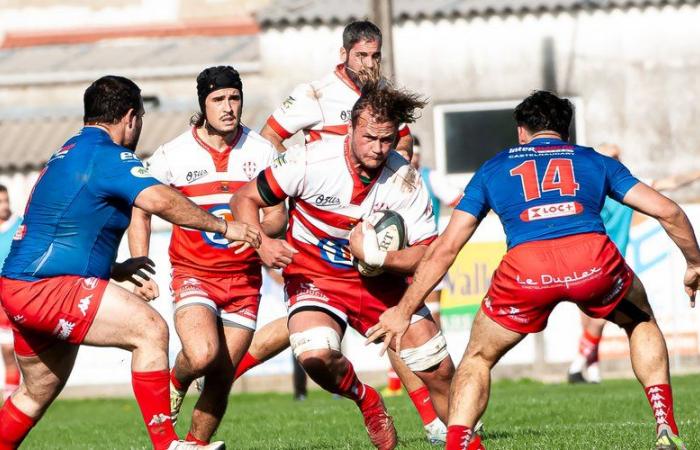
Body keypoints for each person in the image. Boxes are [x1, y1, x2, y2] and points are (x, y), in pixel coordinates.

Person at [367, 90, 699, 450]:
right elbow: (669, 212)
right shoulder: (592, 160)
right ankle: (665, 427)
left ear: (521, 132)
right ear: (565, 133)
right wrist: (694, 263)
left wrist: (403, 311)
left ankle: (457, 444)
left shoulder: (494, 167)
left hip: (526, 270)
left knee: (478, 358)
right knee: (640, 321)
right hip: (592, 262)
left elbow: (446, 248)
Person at [0, 75, 260, 450]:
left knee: (34, 393)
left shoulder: (68, 150)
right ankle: (167, 444)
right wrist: (223, 226)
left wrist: (114, 268)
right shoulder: (107, 155)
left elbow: (62, 228)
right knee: (150, 330)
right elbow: (159, 200)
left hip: (19, 286)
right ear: (130, 117)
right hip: (48, 287)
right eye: (139, 117)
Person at [235, 20, 448, 443]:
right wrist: (294, 184)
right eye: (361, 55)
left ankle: (438, 422)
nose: (369, 64)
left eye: (375, 56)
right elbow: (269, 139)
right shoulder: (314, 94)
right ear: (344, 54)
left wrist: (396, 186)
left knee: (401, 329)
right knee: (309, 340)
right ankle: (224, 371)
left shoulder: (384, 101)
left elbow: (401, 152)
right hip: (318, 225)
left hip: (374, 221)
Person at [128, 66, 288, 446]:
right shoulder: (173, 154)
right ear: (203, 104)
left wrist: (263, 233)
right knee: (202, 355)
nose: (228, 107)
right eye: (218, 99)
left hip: (244, 280)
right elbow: (141, 207)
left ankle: (195, 445)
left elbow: (278, 213)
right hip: (194, 273)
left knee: (222, 373)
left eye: (234, 97)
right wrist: (139, 264)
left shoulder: (262, 151)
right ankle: (176, 380)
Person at [568, 143, 700, 384]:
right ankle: (589, 368)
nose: (616, 160)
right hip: (586, 256)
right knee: (589, 319)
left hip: (608, 261)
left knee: (597, 318)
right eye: (611, 156)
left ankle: (580, 366)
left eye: (618, 156)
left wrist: (695, 173)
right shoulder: (590, 186)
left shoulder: (625, 186)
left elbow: (669, 183)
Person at [383, 136, 463, 397]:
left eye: (415, 152)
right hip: (395, 261)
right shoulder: (385, 179)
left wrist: (446, 241)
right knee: (395, 316)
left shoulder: (429, 177)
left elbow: (460, 203)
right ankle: (396, 381)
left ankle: (443, 378)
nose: (412, 157)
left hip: (428, 257)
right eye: (407, 152)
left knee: (431, 316)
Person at [0, 186, 22, 401]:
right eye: (0, 202)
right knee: (5, 349)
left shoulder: (20, 224)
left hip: (13, 288)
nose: (4, 206)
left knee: (9, 348)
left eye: (5, 200)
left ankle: (12, 396)